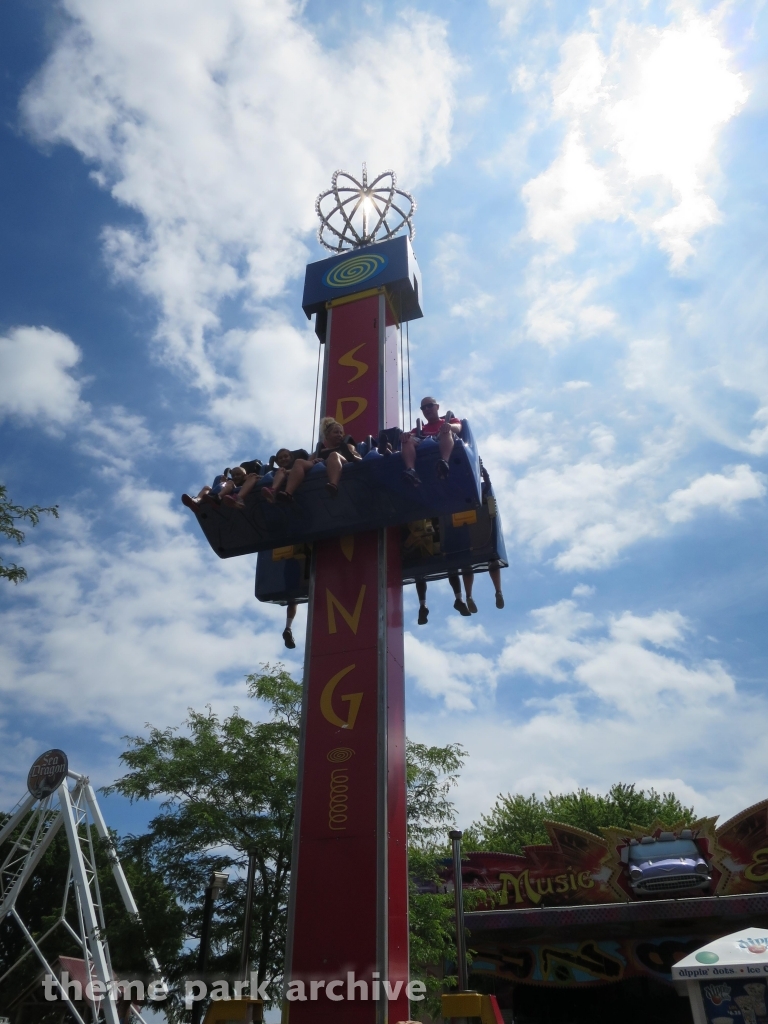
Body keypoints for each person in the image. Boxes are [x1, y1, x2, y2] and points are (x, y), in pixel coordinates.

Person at [277, 417, 361, 501]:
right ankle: (288, 493)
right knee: (299, 461)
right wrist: (285, 471)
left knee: (333, 455)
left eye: (341, 433)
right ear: (327, 436)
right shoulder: (318, 452)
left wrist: (352, 457)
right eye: (336, 432)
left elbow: (361, 459)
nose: (339, 435)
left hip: (343, 463)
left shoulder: (348, 446)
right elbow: (299, 468)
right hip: (321, 466)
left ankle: (333, 484)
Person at [401, 397, 461, 486]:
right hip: (424, 441)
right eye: (423, 408)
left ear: (437, 407)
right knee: (406, 440)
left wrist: (449, 426)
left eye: (430, 406)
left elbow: (458, 428)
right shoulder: (420, 429)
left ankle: (444, 463)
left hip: (443, 437)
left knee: (445, 430)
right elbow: (411, 435)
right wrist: (405, 436)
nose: (427, 409)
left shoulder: (450, 421)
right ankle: (411, 471)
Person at [182, 466, 249, 512]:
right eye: (233, 475)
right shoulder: (230, 481)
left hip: (232, 494)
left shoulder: (246, 482)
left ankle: (217, 498)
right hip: (219, 492)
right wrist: (223, 481)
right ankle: (196, 501)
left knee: (229, 482)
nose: (235, 477)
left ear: (244, 475)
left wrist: (225, 482)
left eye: (238, 475)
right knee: (207, 487)